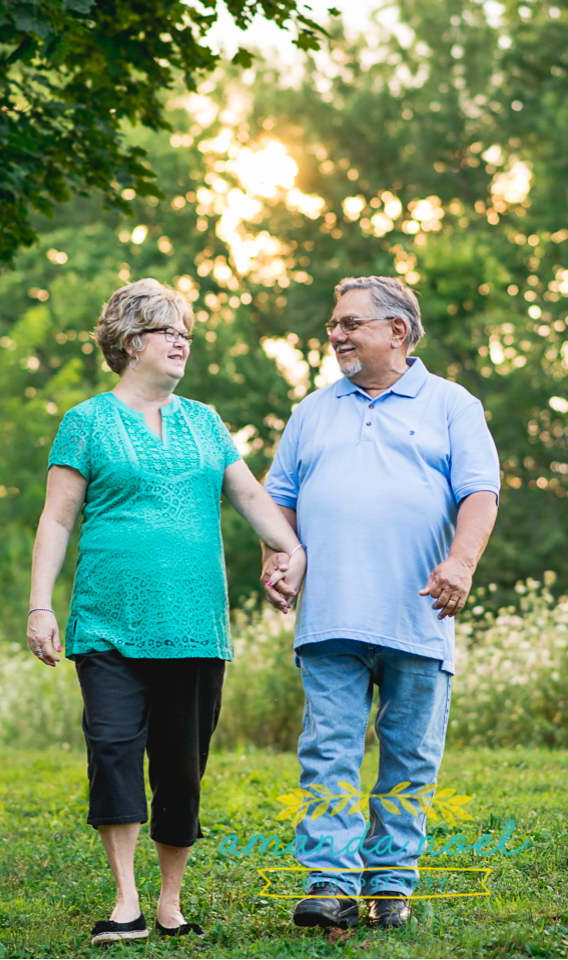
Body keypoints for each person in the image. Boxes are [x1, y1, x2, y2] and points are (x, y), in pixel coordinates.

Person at [28, 278, 306, 946]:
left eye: (186, 332)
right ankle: (125, 900)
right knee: (114, 750)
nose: (183, 341)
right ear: (131, 343)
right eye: (167, 330)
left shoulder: (205, 422)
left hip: (193, 625)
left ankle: (170, 902)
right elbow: (57, 519)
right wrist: (41, 605)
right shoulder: (86, 422)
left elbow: (248, 496)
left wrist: (289, 546)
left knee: (182, 767)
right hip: (106, 622)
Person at [261, 276, 500, 930]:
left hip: (420, 615)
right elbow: (277, 498)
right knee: (328, 753)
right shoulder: (312, 410)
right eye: (333, 325)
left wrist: (460, 562)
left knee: (408, 758)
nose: (334, 335)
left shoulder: (453, 405)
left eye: (349, 323)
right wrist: (277, 557)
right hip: (331, 616)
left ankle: (390, 886)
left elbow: (480, 493)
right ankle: (331, 883)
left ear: (397, 331)